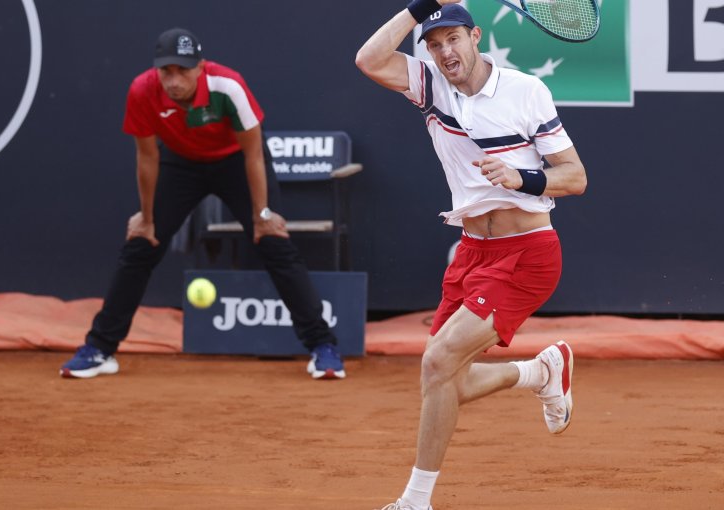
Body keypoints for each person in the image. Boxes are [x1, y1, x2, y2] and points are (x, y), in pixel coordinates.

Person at [356, 1, 587, 508]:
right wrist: (420, 8)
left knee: (437, 361)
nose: (445, 52)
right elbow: (369, 60)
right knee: (443, 377)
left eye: (453, 40)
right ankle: (539, 372)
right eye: (434, 45)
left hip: (527, 254)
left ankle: (416, 501)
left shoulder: (526, 90)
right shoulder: (430, 87)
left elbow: (576, 176)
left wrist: (521, 177)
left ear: (476, 37)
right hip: (471, 253)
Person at [60, 28, 346, 380]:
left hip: (236, 164)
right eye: (167, 71)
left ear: (201, 67)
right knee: (140, 245)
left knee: (274, 241)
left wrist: (262, 214)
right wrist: (147, 218)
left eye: (183, 70)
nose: (175, 80)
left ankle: (323, 347)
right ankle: (100, 349)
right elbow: (147, 159)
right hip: (180, 164)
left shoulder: (228, 87)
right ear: (157, 71)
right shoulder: (142, 90)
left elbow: (254, 153)